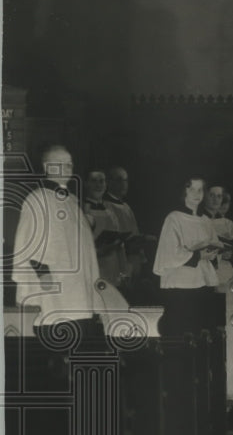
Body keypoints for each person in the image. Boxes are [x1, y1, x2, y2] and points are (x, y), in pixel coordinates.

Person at [11, 145, 103, 340]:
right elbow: (26, 242)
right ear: (47, 167)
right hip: (53, 286)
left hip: (77, 286)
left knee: (77, 333)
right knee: (57, 334)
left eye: (69, 164)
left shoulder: (71, 201)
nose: (67, 167)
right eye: (60, 163)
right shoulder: (38, 198)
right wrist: (42, 273)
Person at [153, 175, 222, 337]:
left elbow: (214, 245)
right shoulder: (174, 218)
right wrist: (198, 255)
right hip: (180, 285)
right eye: (191, 189)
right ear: (183, 191)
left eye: (200, 190)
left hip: (202, 282)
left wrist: (214, 253)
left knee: (200, 331)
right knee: (181, 332)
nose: (196, 194)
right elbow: (169, 254)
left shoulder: (205, 221)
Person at [104, 166, 152, 292]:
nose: (124, 184)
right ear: (109, 182)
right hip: (116, 265)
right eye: (119, 180)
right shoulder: (105, 206)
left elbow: (134, 232)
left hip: (132, 264)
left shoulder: (126, 207)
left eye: (126, 180)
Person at [82, 169, 128, 287]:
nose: (98, 185)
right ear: (86, 184)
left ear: (106, 185)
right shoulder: (80, 210)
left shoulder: (111, 211)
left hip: (113, 270)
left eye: (101, 181)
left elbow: (120, 245)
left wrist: (124, 273)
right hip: (93, 270)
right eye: (94, 181)